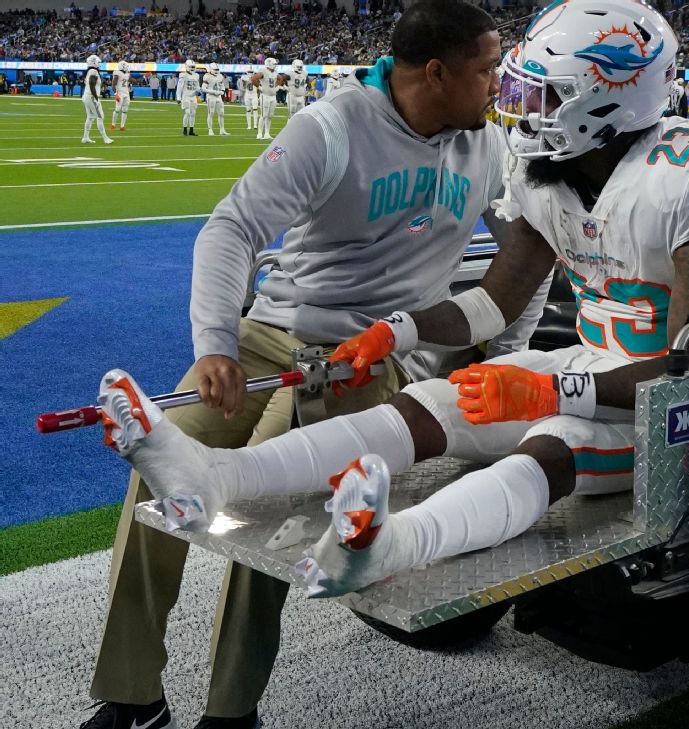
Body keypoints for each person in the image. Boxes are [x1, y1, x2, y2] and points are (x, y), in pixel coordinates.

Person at [95, 0, 689, 645]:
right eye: (516, 81)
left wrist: (554, 391)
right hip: (591, 365)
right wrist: (399, 331)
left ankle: (387, 547)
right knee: (433, 400)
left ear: (611, 100)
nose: (517, 102)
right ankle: (216, 477)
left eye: (542, 93)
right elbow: (494, 302)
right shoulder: (545, 173)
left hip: (664, 410)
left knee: (554, 441)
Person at [76, 2, 545, 727]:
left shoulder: (489, 149)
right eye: (487, 70)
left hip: (371, 358)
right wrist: (215, 343)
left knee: (265, 497)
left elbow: (525, 260)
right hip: (270, 333)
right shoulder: (332, 128)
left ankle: (231, 709)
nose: (498, 86)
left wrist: (508, 352)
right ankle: (132, 695)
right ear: (436, 72)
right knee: (156, 465)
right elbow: (231, 228)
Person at [81, 54, 113, 145]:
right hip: (91, 96)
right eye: (98, 62)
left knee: (90, 117)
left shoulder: (90, 71)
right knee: (100, 116)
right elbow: (91, 84)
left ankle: (85, 137)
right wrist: (96, 97)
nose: (99, 64)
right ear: (94, 62)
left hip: (87, 96)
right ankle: (105, 138)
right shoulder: (93, 71)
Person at [250, 57, 280, 140]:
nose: (275, 65)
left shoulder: (275, 72)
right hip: (265, 96)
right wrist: (259, 87)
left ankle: (267, 133)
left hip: (273, 96)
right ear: (269, 64)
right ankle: (259, 133)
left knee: (270, 116)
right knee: (263, 115)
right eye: (274, 64)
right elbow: (253, 79)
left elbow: (280, 78)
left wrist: (277, 86)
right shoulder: (263, 70)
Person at [203, 63, 231, 136]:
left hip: (218, 96)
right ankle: (210, 130)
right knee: (211, 113)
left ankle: (222, 129)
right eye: (215, 69)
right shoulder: (207, 76)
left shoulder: (220, 76)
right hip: (211, 96)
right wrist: (214, 92)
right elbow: (203, 88)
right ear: (211, 69)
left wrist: (222, 90)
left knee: (221, 113)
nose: (217, 71)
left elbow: (222, 85)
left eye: (217, 69)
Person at [178, 59, 201, 136]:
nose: (192, 68)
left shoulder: (196, 75)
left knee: (193, 113)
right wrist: (178, 98)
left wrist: (199, 91)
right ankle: (185, 129)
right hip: (186, 96)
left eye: (193, 67)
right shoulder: (183, 75)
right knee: (187, 113)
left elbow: (197, 86)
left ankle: (191, 130)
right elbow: (179, 87)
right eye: (191, 66)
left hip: (193, 96)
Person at [111, 61, 132, 131]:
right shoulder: (117, 73)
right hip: (120, 93)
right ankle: (113, 124)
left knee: (125, 110)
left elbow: (133, 80)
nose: (127, 67)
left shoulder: (127, 74)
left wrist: (144, 76)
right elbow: (113, 85)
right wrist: (115, 94)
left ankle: (122, 126)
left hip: (126, 93)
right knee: (117, 109)